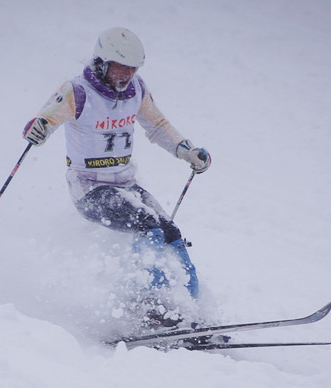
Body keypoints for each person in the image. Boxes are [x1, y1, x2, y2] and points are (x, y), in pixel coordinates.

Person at [22, 27, 211, 327]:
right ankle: (147, 306)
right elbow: (45, 119)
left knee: (171, 234)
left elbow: (158, 125)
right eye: (120, 68)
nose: (125, 76)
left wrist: (187, 151)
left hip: (126, 184)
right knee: (148, 228)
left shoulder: (137, 90)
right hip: (90, 189)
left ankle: (194, 312)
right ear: (101, 62)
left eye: (132, 69)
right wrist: (38, 129)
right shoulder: (78, 91)